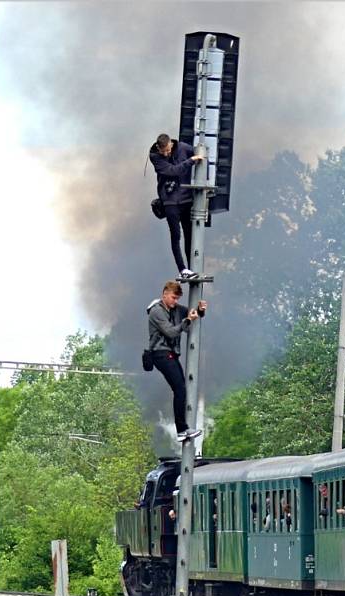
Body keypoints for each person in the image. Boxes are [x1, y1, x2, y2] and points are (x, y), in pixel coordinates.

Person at [146, 280, 206, 441]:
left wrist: (200, 311)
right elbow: (171, 332)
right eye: (173, 298)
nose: (175, 302)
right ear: (164, 294)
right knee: (179, 389)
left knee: (181, 389)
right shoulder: (156, 312)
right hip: (161, 353)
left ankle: (182, 429)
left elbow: (191, 313)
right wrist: (187, 321)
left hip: (170, 354)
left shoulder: (175, 309)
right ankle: (182, 430)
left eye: (177, 299)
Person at [149, 134, 204, 279]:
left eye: (167, 150)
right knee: (176, 235)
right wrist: (190, 161)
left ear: (171, 145)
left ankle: (192, 268)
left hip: (186, 199)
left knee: (189, 234)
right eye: (163, 152)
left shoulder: (183, 148)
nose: (166, 154)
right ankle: (182, 269)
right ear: (158, 148)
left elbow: (202, 157)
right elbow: (172, 171)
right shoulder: (155, 156)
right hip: (169, 201)